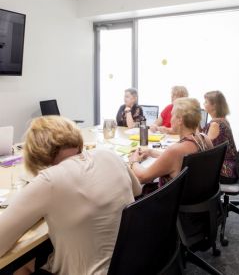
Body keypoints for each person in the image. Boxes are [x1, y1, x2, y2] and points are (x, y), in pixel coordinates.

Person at [0, 116, 141, 275]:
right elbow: (137, 191)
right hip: (130, 263)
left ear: (36, 152)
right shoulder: (109, 155)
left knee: (18, 267)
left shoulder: (48, 181)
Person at [129, 98, 213, 187]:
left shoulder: (176, 150)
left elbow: (142, 177)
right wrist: (151, 152)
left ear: (180, 120)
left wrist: (134, 161)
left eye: (172, 115)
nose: (170, 119)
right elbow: (177, 160)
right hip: (198, 196)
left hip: (170, 199)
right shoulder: (205, 139)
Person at [203, 91, 238, 184]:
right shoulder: (223, 120)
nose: (203, 104)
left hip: (225, 172)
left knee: (188, 168)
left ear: (214, 105)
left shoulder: (215, 124)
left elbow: (205, 148)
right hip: (232, 168)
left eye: (206, 102)